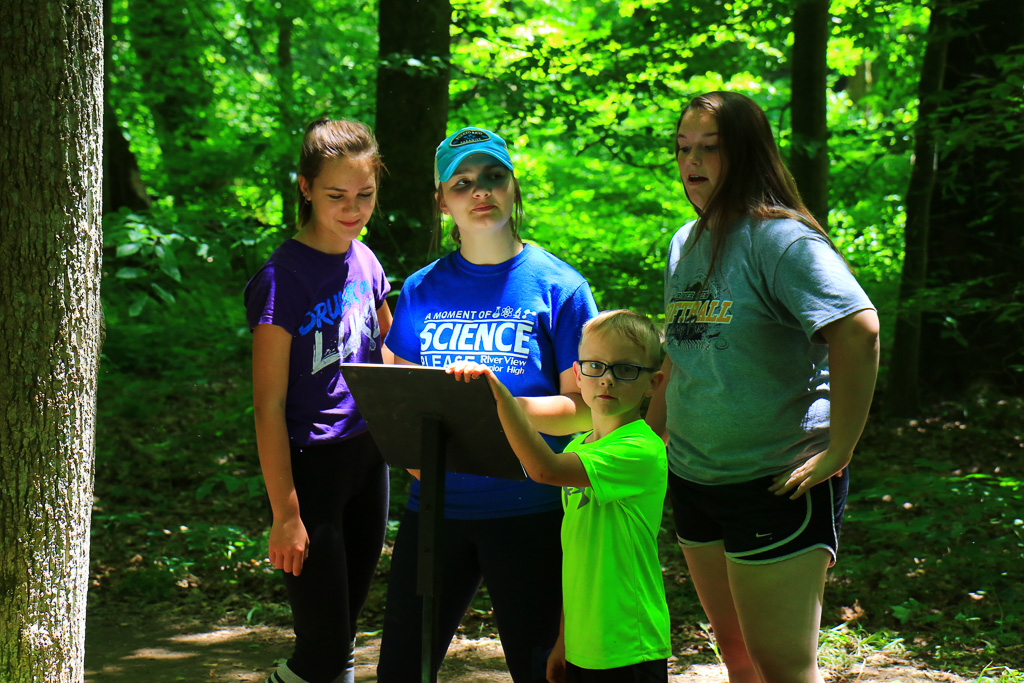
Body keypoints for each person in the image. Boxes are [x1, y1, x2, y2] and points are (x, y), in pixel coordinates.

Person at [645, 91, 880, 683]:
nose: (692, 162)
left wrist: (840, 448)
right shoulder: (684, 242)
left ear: (746, 155)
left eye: (710, 149)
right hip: (695, 477)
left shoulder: (782, 241)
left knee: (782, 664)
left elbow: (859, 330)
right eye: (683, 149)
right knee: (738, 653)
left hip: (776, 482)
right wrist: (649, 441)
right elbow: (681, 353)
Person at [376, 126, 599, 682]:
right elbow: (400, 398)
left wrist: (500, 405)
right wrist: (415, 458)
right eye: (463, 182)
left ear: (514, 186)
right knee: (402, 670)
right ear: (442, 201)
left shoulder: (560, 287)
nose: (481, 192)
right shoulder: (421, 289)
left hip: (532, 512)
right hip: (435, 513)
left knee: (543, 670)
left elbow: (589, 407)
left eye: (494, 177)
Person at [244, 117, 393, 683]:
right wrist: (286, 513)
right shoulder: (282, 279)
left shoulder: (367, 260)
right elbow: (267, 405)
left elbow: (391, 355)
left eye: (365, 195)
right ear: (305, 187)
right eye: (336, 195)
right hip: (312, 471)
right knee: (324, 652)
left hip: (368, 461)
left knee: (342, 637)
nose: (353, 208)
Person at [448, 309, 672, 683]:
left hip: (629, 644)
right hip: (585, 643)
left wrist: (500, 397)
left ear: (654, 382)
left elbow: (543, 469)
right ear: (578, 373)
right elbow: (579, 559)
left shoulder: (640, 448)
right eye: (595, 367)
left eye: (626, 369)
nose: (608, 380)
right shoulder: (582, 444)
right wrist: (564, 642)